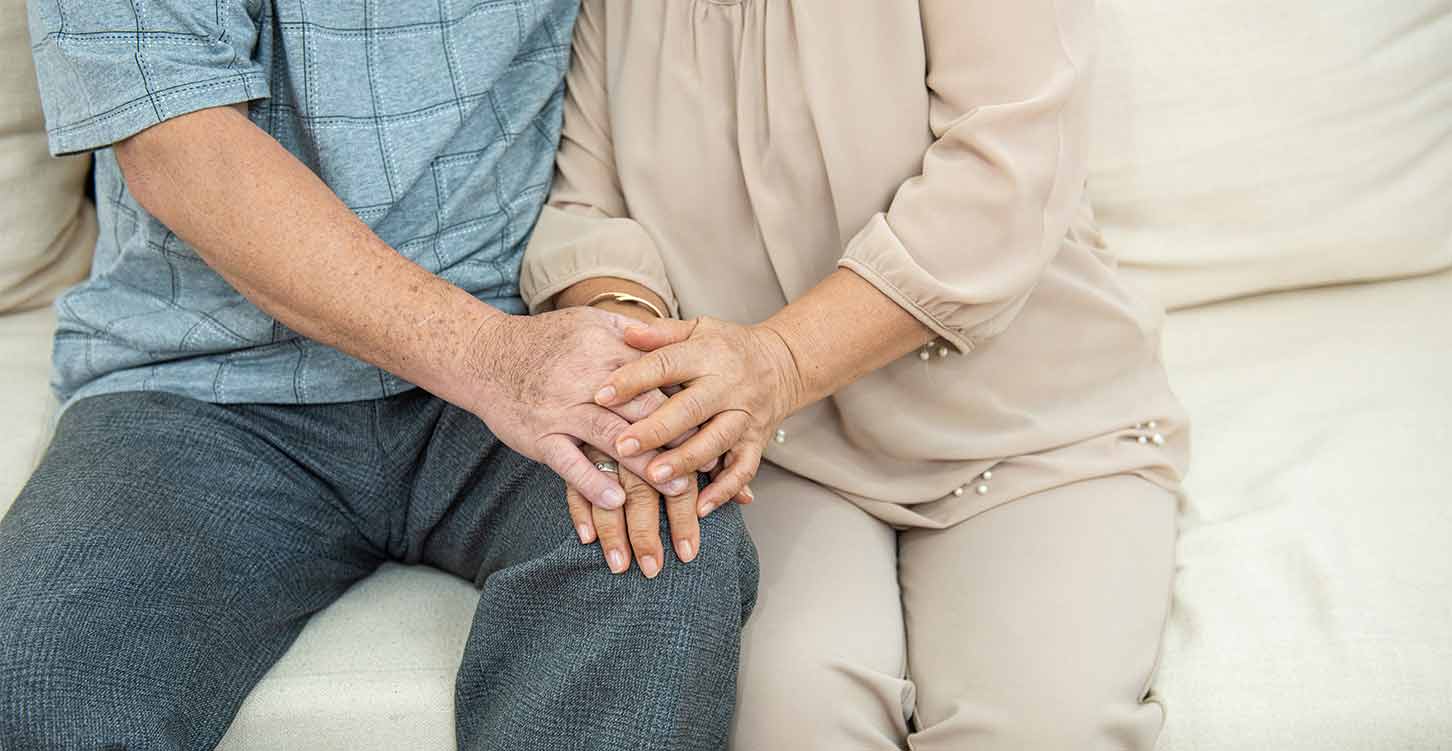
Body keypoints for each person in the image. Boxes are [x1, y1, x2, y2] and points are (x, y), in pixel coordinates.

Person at [0, 3, 756, 750]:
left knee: (667, 542)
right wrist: (495, 360)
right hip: (203, 383)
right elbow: (178, 144)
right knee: (31, 676)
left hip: (515, 335)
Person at [523, 1, 1188, 748]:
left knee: (1045, 729)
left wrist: (775, 362)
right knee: (792, 718)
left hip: (1032, 427)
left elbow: (1005, 178)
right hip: (768, 452)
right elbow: (588, 206)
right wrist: (641, 363)